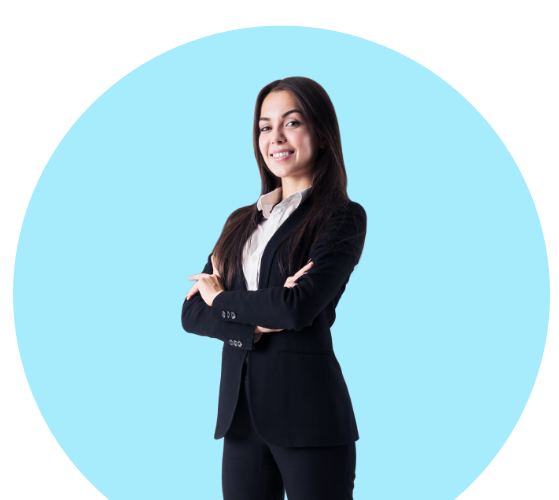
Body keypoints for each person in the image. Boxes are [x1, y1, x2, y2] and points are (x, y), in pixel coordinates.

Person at [181, 76, 367, 500]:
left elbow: (295, 307)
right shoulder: (239, 222)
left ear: (322, 133)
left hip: (309, 417)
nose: (276, 137)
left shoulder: (341, 217)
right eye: (265, 126)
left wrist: (221, 298)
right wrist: (256, 324)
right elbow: (191, 313)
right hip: (240, 418)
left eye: (292, 122)